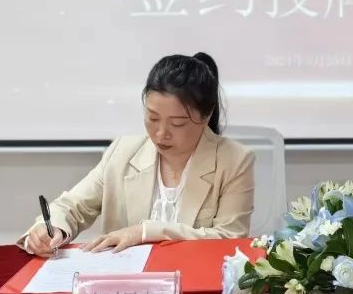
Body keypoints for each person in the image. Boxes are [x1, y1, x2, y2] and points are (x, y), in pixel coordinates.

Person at [21, 52, 255, 255]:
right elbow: (73, 206)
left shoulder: (234, 160)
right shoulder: (123, 152)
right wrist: (51, 228)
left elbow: (229, 238)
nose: (161, 134)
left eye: (177, 123)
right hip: (125, 283)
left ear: (206, 115)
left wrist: (145, 232)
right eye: (153, 118)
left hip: (194, 280)